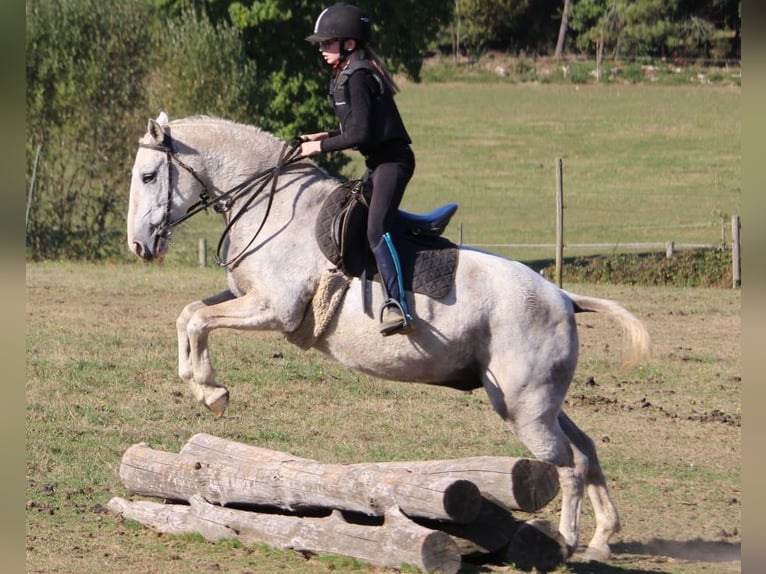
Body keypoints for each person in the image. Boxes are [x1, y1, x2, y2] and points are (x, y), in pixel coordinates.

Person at [300, 3, 416, 336]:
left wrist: (319, 147)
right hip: (378, 164)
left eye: (327, 42)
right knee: (352, 217)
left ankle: (398, 306)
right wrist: (324, 136)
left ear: (349, 44)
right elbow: (357, 128)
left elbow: (362, 134)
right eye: (320, 44)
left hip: (393, 163)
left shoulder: (359, 76)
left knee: (376, 230)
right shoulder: (347, 72)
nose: (321, 49)